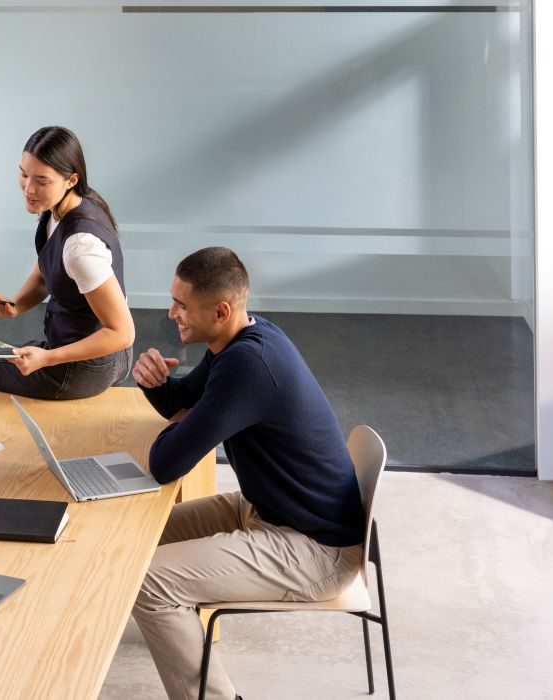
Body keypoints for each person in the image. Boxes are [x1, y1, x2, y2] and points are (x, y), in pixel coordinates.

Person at [129, 248, 366, 700]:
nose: (171, 312)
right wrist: (157, 385)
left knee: (149, 580)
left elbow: (165, 464)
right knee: (132, 536)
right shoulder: (241, 341)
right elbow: (186, 399)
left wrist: (178, 423)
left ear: (220, 310)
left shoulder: (248, 365)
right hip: (265, 511)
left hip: (314, 548)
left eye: (181, 305)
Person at [0, 126, 135, 400]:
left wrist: (48, 358)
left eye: (41, 181)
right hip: (101, 358)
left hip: (84, 368)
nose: (28, 188)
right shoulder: (71, 204)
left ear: (71, 180)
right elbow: (46, 270)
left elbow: (122, 332)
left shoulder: (80, 246)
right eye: (23, 174)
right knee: (3, 354)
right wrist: (15, 306)